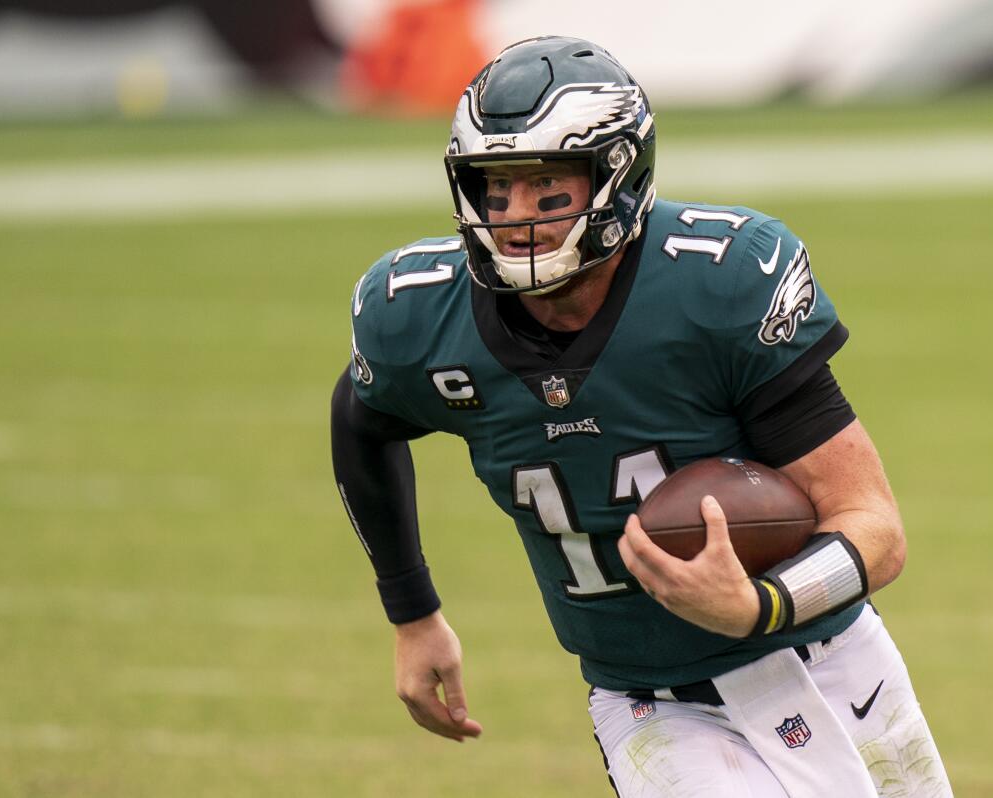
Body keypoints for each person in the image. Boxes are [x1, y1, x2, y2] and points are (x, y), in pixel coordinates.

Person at [331, 35, 954, 797]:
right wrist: (412, 611)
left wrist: (759, 604)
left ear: (616, 179)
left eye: (546, 189)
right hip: (648, 702)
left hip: (828, 661)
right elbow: (361, 423)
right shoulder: (419, 317)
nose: (517, 217)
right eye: (496, 188)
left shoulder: (716, 289)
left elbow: (873, 528)